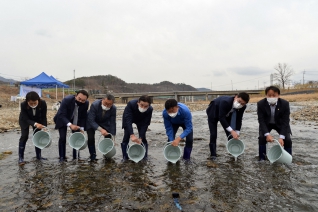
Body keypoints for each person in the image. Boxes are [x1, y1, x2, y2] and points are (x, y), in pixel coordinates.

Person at [206, 92, 250, 160]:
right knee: (213, 134)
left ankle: (234, 152)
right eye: (239, 101)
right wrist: (232, 131)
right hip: (213, 112)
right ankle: (213, 155)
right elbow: (221, 118)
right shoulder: (225, 102)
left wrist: (237, 132)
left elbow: (239, 120)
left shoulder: (243, 107)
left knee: (231, 135)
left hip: (227, 114)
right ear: (236, 97)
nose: (240, 104)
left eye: (243, 104)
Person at [257, 86, 292, 161]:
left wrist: (281, 137)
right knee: (262, 137)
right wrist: (267, 134)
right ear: (266, 95)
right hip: (266, 124)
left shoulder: (285, 104)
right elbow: (261, 121)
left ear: (278, 95)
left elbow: (286, 121)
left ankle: (288, 159)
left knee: (288, 139)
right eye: (269, 95)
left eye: (274, 95)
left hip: (280, 124)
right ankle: (262, 159)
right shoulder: (261, 104)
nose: (271, 97)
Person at [54, 90, 89, 162]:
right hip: (62, 118)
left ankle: (75, 156)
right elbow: (61, 115)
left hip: (75, 119)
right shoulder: (67, 100)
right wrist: (70, 125)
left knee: (76, 136)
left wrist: (82, 128)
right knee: (62, 137)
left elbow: (83, 116)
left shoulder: (86, 104)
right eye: (79, 99)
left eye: (83, 100)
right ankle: (62, 157)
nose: (81, 101)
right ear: (76, 96)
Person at [18, 91, 47, 165]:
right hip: (25, 119)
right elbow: (26, 119)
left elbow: (44, 117)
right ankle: (21, 158)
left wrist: (44, 127)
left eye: (35, 103)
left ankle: (38, 156)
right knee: (24, 136)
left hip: (38, 119)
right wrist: (35, 124)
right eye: (31, 103)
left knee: (38, 136)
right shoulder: (23, 104)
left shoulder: (43, 103)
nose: (33, 105)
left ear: (38, 100)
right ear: (27, 101)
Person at [121, 95, 153, 161]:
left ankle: (144, 156)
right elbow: (128, 120)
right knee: (126, 136)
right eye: (141, 105)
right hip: (129, 118)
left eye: (146, 106)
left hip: (141, 120)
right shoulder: (131, 104)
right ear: (138, 103)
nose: (143, 107)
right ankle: (125, 156)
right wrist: (132, 134)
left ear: (149, 105)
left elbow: (145, 124)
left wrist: (140, 137)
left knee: (143, 137)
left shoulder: (150, 109)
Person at [86, 94, 116, 161]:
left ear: (112, 104)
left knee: (108, 136)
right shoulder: (95, 105)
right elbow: (91, 120)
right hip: (91, 121)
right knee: (90, 138)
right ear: (102, 100)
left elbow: (112, 122)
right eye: (105, 103)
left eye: (109, 104)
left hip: (104, 122)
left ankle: (106, 153)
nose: (107, 106)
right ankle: (93, 155)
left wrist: (113, 135)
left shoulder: (113, 108)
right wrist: (100, 129)